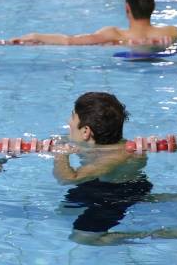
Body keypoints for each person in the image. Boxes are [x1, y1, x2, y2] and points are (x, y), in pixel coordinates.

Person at [52, 92, 150, 238]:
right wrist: (8, 157)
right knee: (64, 211)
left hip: (121, 192)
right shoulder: (89, 141)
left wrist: (61, 155)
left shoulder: (116, 155)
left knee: (83, 237)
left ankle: (167, 234)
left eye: (72, 117)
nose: (68, 121)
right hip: (98, 182)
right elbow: (53, 141)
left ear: (86, 131)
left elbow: (68, 179)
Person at [15, 0, 177, 45]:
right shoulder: (172, 32)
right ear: (152, 6)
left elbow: (69, 41)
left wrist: (36, 35)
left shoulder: (113, 35)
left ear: (127, 8)